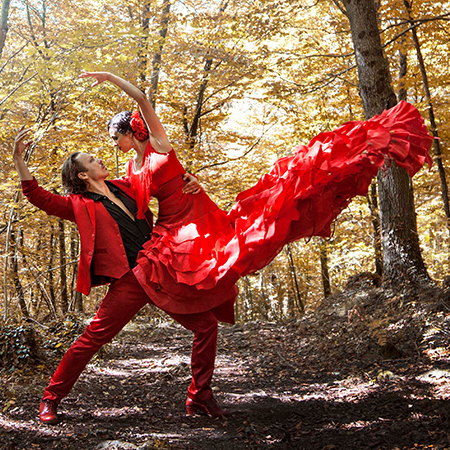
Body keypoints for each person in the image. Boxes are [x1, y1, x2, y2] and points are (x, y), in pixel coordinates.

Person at [79, 71, 433, 318]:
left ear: (131, 131)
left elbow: (141, 98)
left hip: (197, 216)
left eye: (117, 138)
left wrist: (111, 80)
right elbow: (133, 202)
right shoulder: (130, 169)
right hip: (174, 227)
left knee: (270, 212)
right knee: (201, 275)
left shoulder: (158, 145)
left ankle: (368, 144)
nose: (115, 146)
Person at [13, 127, 231, 424]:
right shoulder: (77, 205)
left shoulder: (125, 186)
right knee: (91, 339)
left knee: (206, 326)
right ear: (82, 176)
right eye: (92, 160)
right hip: (128, 280)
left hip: (158, 269)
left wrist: (188, 180)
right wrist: (19, 160)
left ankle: (200, 395)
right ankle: (51, 398)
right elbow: (38, 197)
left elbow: (160, 179)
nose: (99, 158)